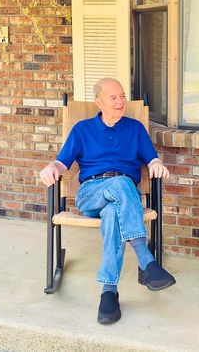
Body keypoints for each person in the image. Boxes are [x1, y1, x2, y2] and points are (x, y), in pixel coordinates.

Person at [39, 77, 175, 325]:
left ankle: (108, 292)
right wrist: (51, 166)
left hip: (123, 200)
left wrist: (158, 165)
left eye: (122, 96)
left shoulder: (135, 129)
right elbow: (62, 162)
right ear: (99, 102)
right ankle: (146, 260)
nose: (121, 101)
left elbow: (152, 159)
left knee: (114, 212)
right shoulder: (82, 129)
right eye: (113, 97)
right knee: (122, 183)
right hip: (91, 193)